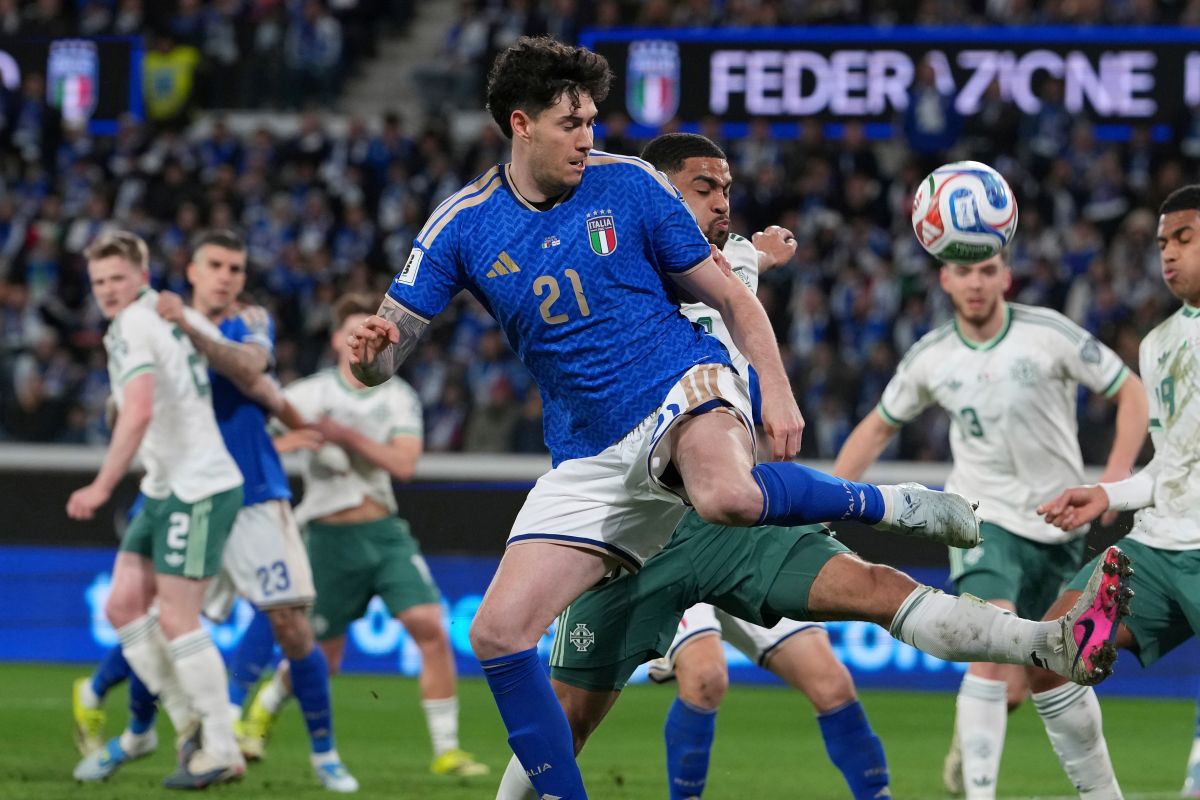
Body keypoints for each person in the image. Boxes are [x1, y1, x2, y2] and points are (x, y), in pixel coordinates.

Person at [348, 36, 1125, 798]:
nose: (589, 138)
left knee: (743, 514)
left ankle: (905, 517)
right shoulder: (461, 224)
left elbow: (728, 291)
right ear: (520, 124)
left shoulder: (632, 186)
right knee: (497, 637)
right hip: (591, 462)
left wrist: (775, 393)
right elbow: (383, 353)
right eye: (571, 123)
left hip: (679, 395)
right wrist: (368, 352)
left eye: (592, 120)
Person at [492, 132, 891, 800]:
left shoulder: (727, 264)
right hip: (655, 527)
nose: (720, 205)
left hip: (734, 518)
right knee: (693, 682)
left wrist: (763, 254)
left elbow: (739, 270)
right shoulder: (626, 265)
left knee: (831, 679)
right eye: (703, 190)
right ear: (652, 193)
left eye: (725, 192)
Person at [831, 250, 1147, 798]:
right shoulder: (932, 357)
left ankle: (980, 746)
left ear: (1005, 275)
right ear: (944, 279)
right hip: (981, 520)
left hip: (1060, 527)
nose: (975, 282)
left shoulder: (1049, 334)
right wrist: (830, 501)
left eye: (985, 270)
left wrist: (1114, 480)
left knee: (1040, 675)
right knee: (989, 641)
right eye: (963, 271)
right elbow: (878, 427)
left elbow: (1131, 394)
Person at [71, 230, 358, 792]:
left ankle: (323, 755)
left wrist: (294, 417)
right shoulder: (154, 321)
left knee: (291, 626)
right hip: (180, 487)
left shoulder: (244, 321)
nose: (228, 276)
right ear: (191, 271)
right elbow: (127, 405)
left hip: (249, 494)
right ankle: (140, 732)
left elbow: (252, 371)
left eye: (236, 267)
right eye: (216, 266)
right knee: (155, 618)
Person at [245, 292, 489, 779]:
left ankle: (446, 750)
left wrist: (344, 437)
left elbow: (405, 464)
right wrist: (292, 440)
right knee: (322, 658)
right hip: (328, 539)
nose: (365, 339)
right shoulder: (308, 394)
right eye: (356, 329)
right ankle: (262, 712)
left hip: (383, 533)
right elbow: (253, 437)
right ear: (338, 338)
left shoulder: (396, 395)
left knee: (431, 628)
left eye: (374, 331)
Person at [1032, 185, 1200, 799]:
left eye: (1184, 238)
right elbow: (1175, 461)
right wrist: (1111, 495)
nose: (1169, 254)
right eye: (1162, 244)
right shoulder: (1158, 346)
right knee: (1051, 651)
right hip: (1157, 551)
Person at [67, 231, 245, 788]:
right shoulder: (166, 314)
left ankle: (220, 746)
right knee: (123, 605)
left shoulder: (132, 327)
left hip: (197, 488)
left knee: (176, 618)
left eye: (118, 278)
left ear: (141, 276)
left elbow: (138, 409)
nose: (108, 291)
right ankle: (174, 721)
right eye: (99, 282)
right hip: (170, 485)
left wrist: (101, 485)